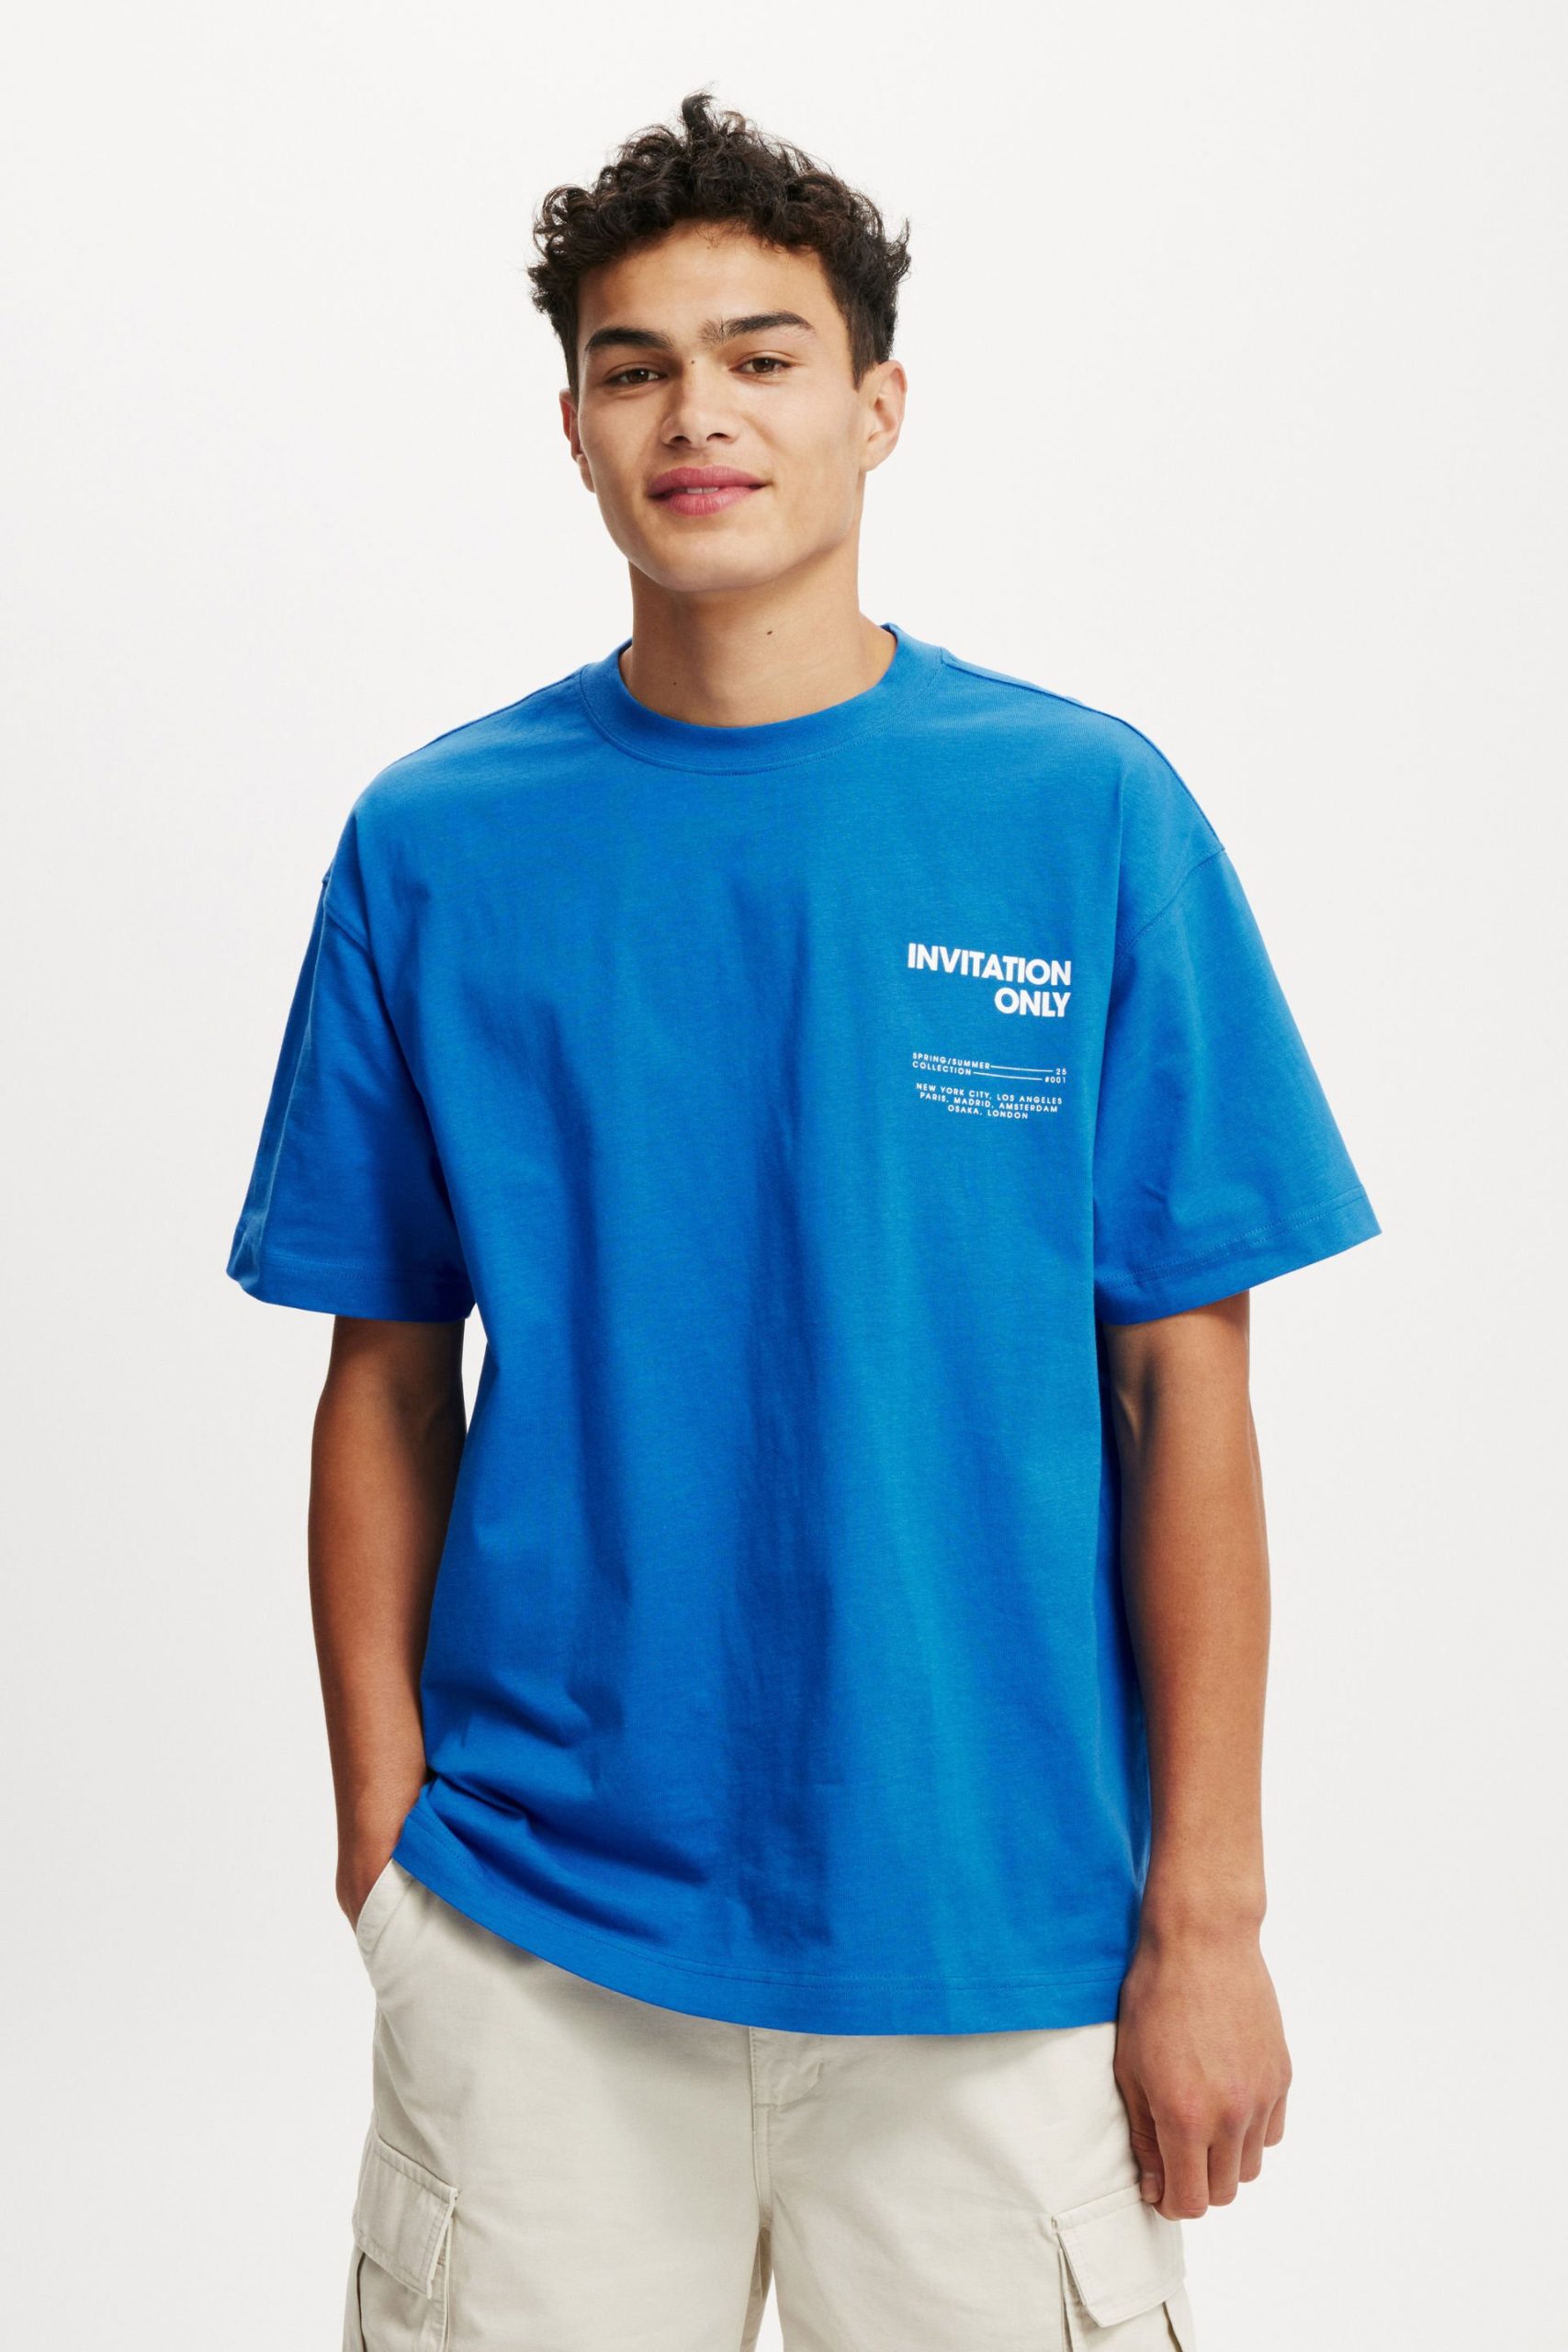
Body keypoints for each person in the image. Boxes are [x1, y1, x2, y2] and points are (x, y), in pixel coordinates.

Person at [225, 88, 1381, 2352]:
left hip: (999, 1934)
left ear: (876, 404)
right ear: (572, 427)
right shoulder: (433, 843)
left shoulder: (1080, 812)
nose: (698, 412)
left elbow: (1183, 1390)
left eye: (760, 356)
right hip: (539, 1937)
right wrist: (386, 1850)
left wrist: (1208, 1917)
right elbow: (385, 1374)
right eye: (635, 365)